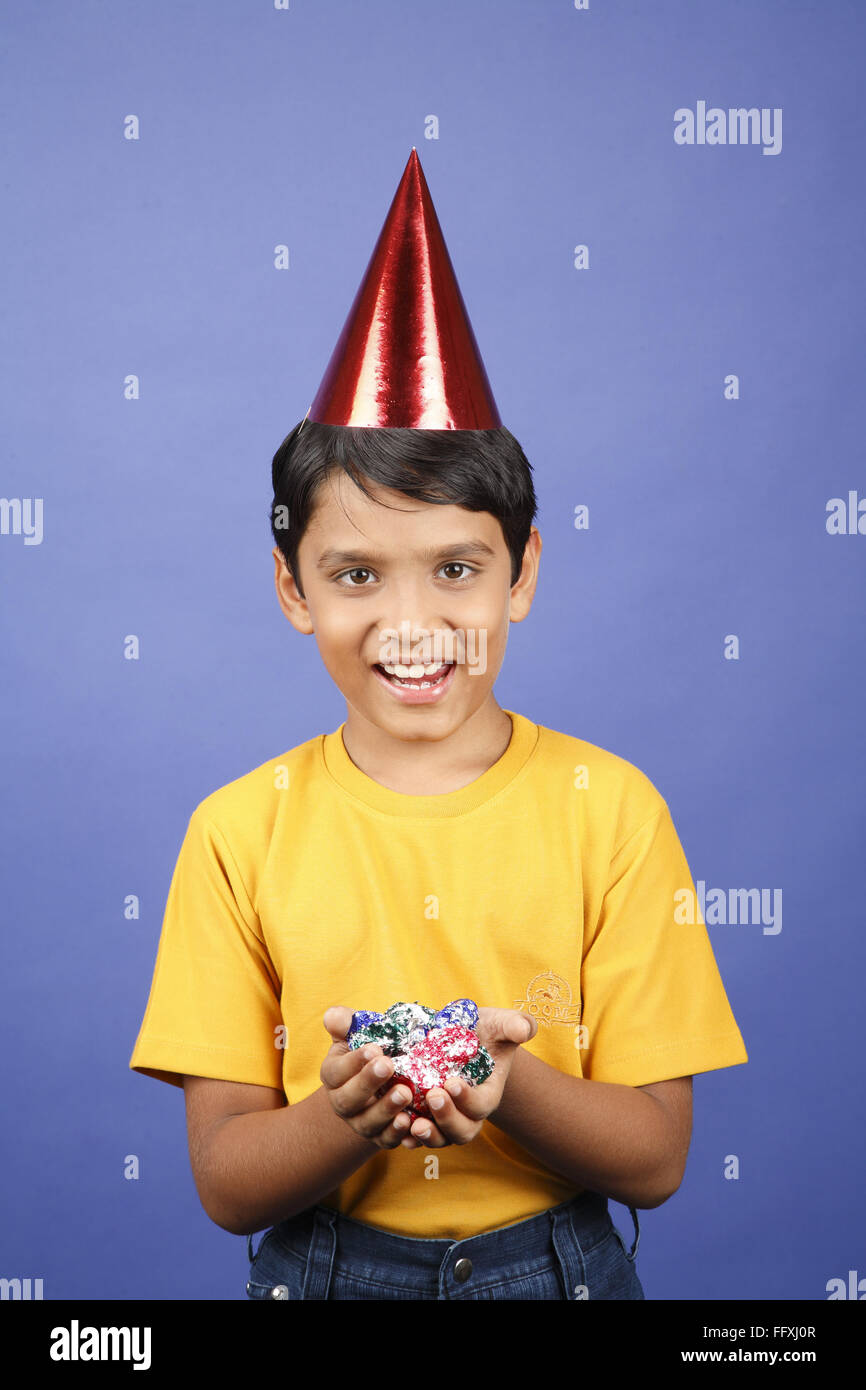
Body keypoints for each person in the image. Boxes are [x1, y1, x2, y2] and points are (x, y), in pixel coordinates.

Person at [129, 150, 748, 1300]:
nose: (412, 623)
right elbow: (226, 1181)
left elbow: (656, 1157)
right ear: (290, 588)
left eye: (456, 568)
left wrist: (498, 1081)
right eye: (355, 574)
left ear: (520, 575)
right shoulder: (234, 832)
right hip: (323, 1270)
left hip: (556, 1269)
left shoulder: (609, 810)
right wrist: (349, 1113)